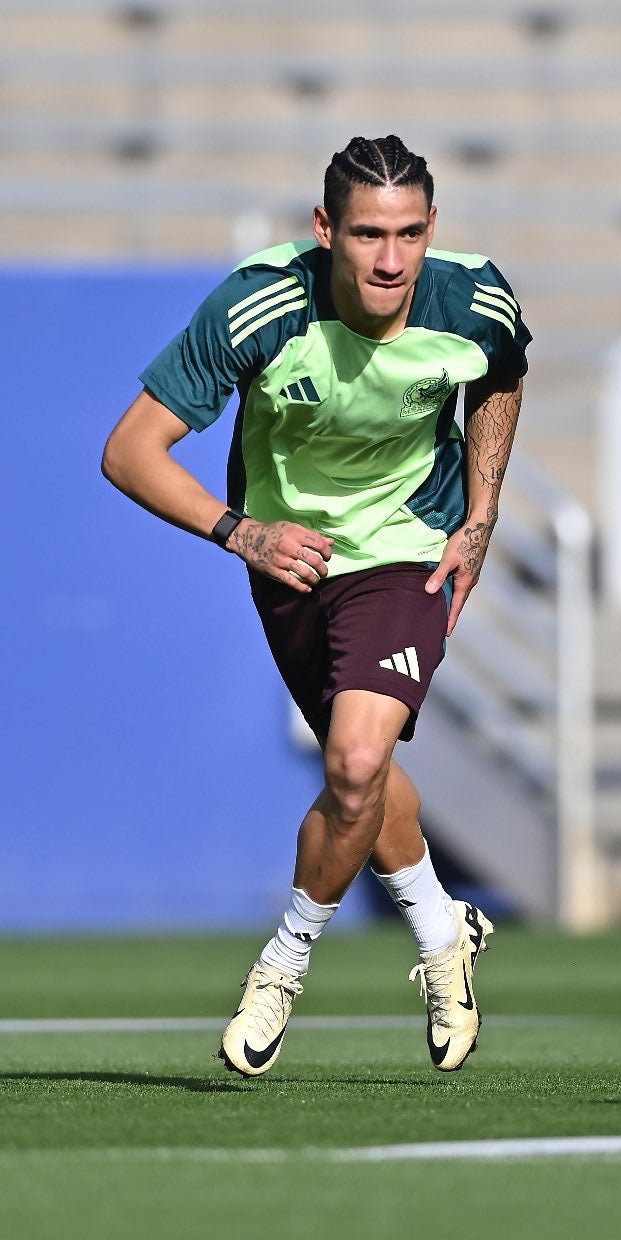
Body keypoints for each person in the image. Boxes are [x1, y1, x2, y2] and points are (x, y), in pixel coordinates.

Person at [102, 134, 531, 1077]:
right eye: (369, 234)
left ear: (432, 230)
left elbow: (499, 375)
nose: (390, 259)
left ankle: (282, 963)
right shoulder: (258, 305)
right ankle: (440, 930)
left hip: (410, 551)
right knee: (362, 780)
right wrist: (245, 534)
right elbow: (130, 450)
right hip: (288, 561)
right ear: (324, 229)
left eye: (410, 234)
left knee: (355, 761)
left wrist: (483, 512)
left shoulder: (475, 297)